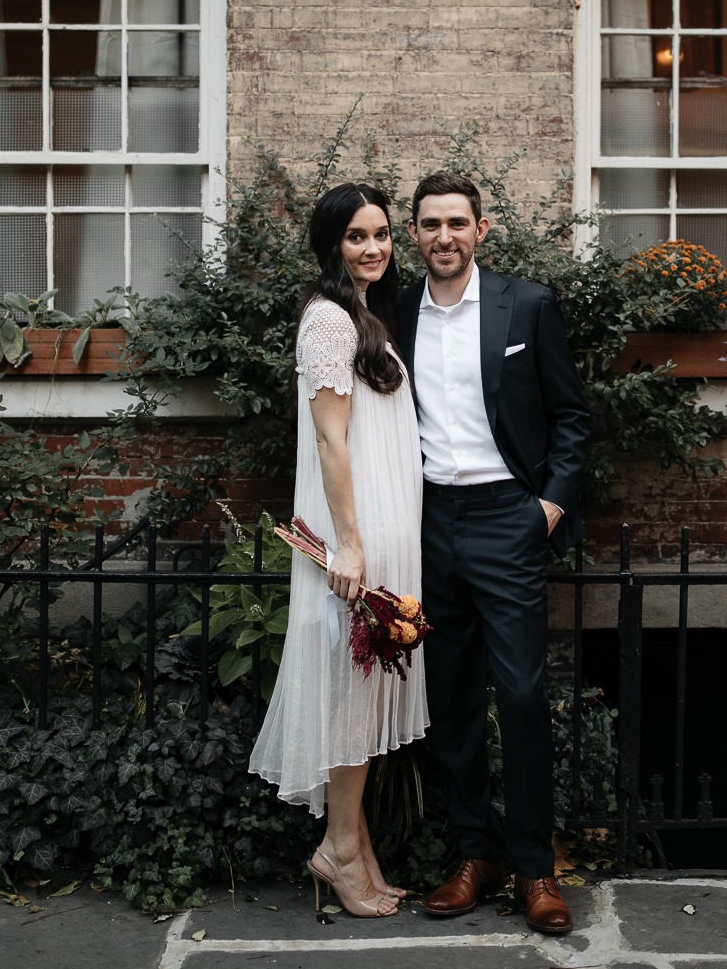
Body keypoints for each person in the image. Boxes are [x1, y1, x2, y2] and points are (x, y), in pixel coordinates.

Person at [394, 171, 591, 936]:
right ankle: (471, 856)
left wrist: (547, 508)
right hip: (430, 521)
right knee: (450, 698)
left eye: (456, 223)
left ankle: (535, 868)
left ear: (481, 229)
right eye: (430, 224)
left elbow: (570, 415)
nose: (443, 236)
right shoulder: (397, 310)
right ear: (415, 233)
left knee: (522, 696)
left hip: (508, 517)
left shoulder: (527, 305)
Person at [249, 182, 429, 918]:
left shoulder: (365, 313)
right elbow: (331, 439)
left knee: (368, 688)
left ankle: (356, 846)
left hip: (386, 523)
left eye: (381, 234)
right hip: (357, 531)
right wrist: (350, 546)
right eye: (357, 236)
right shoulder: (328, 320)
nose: (374, 247)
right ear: (332, 245)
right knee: (356, 689)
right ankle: (339, 852)